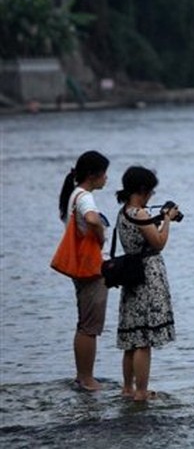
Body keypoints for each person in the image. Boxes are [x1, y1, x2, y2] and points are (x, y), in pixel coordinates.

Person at [114, 166, 178, 401]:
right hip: (147, 276)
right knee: (144, 339)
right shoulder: (140, 214)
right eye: (150, 190)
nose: (152, 194)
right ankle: (141, 391)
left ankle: (127, 388)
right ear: (143, 189)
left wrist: (159, 218)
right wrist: (167, 220)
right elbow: (158, 242)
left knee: (132, 337)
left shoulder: (124, 212)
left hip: (131, 276)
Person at [56, 150, 110, 391]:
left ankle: (82, 375)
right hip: (91, 269)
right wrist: (100, 235)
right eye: (104, 173)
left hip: (80, 268)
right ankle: (87, 378)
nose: (107, 178)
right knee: (90, 327)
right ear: (93, 175)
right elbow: (91, 219)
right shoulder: (85, 197)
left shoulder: (73, 195)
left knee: (84, 324)